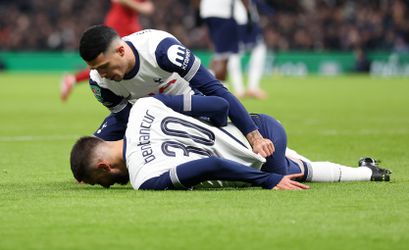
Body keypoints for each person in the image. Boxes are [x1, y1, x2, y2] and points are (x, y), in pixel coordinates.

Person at [70, 95, 392, 190]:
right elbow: (217, 107)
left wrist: (269, 181)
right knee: (297, 168)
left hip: (256, 157)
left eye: (101, 182)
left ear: (103, 166)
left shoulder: (144, 178)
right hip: (257, 128)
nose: (108, 187)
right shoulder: (143, 105)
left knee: (286, 177)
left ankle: (365, 173)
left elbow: (212, 164)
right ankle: (368, 172)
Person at [75, 24, 274, 158]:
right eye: (95, 69)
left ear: (120, 51)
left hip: (187, 100)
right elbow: (128, 119)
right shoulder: (98, 83)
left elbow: (214, 88)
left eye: (104, 66)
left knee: (211, 131)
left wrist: (255, 138)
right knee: (89, 158)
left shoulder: (161, 50)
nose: (101, 74)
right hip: (142, 111)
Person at [60, 0, 155, 102]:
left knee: (131, 57)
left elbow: (148, 7)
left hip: (130, 24)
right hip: (119, 23)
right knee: (106, 61)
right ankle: (73, 79)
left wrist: (139, 7)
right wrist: (139, 7)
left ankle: (73, 79)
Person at [228, 0, 269, 99]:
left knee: (260, 50)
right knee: (233, 59)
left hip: (251, 30)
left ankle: (252, 88)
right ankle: (239, 90)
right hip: (236, 30)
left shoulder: (253, 3)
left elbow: (267, 10)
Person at [199, 0, 242, 81]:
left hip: (206, 12)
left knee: (219, 52)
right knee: (226, 54)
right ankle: (209, 83)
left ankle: (217, 83)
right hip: (222, 13)